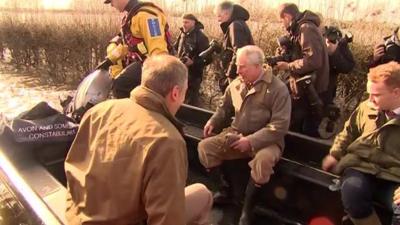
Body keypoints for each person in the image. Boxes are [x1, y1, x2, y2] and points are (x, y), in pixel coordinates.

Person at [65, 55, 212, 225]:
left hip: (76, 216)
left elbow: (72, 165)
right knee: (203, 194)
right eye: (184, 93)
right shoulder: (167, 141)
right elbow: (167, 219)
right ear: (175, 93)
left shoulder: (99, 110)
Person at [198, 45, 291, 225]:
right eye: (238, 66)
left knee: (263, 161)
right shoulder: (236, 84)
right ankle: (226, 191)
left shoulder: (277, 89)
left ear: (258, 66)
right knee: (205, 148)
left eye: (242, 66)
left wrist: (251, 141)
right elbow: (224, 108)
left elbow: (280, 126)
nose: (237, 70)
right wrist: (213, 122)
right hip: (236, 133)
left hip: (267, 141)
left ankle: (247, 209)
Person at [322, 61, 400, 225]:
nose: (370, 99)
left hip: (394, 177)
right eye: (369, 93)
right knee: (353, 192)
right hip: (361, 167)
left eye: (376, 95)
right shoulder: (367, 108)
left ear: (396, 93)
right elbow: (348, 133)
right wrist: (335, 154)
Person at [274, 3, 329, 137]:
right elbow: (300, 55)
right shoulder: (300, 29)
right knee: (297, 127)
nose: (282, 24)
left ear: (287, 16)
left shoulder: (306, 28)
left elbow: (312, 61)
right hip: (303, 87)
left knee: (302, 131)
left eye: (281, 21)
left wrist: (287, 66)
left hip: (311, 89)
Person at [103, 0, 174, 99]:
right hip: (143, 63)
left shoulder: (148, 16)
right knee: (119, 81)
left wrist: (155, 77)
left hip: (157, 67)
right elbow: (129, 45)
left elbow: (158, 49)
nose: (111, 4)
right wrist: (110, 59)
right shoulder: (131, 17)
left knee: (120, 85)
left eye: (111, 1)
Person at [215, 1, 254, 93]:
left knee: (234, 103)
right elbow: (232, 49)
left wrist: (230, 75)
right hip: (240, 73)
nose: (218, 19)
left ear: (227, 13)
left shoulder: (235, 25)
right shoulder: (238, 24)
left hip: (237, 75)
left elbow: (240, 51)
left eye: (219, 16)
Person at [174, 13, 210, 106]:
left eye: (186, 22)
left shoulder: (201, 38)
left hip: (194, 75)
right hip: (180, 72)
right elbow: (175, 47)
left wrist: (193, 63)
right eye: (183, 22)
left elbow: (209, 59)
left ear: (194, 23)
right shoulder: (182, 34)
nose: (184, 24)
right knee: (179, 100)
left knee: (191, 103)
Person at [323, 26, 355, 105]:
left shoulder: (340, 45)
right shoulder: (313, 42)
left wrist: (334, 53)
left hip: (327, 93)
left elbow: (348, 67)